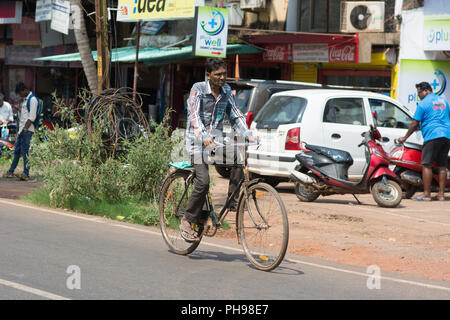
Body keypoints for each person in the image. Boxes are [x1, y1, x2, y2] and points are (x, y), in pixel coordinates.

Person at [180, 58, 258, 242]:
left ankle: (232, 202)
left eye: (224, 74)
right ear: (208, 76)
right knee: (204, 181)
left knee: (239, 159)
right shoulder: (197, 89)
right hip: (196, 142)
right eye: (218, 75)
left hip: (216, 141)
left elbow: (236, 114)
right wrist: (203, 136)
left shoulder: (226, 91)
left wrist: (248, 134)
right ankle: (187, 219)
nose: (223, 78)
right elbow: (194, 116)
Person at [398, 82, 450, 201]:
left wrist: (404, 138)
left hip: (432, 135)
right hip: (446, 135)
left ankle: (427, 194)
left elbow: (414, 123)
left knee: (426, 164)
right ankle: (441, 195)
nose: (419, 95)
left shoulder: (423, 104)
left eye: (419, 93)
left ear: (425, 91)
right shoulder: (443, 101)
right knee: (442, 165)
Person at [2, 83, 38, 181]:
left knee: (25, 151)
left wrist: (25, 129)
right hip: (22, 129)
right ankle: (11, 171)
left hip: (27, 130)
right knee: (17, 151)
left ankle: (26, 173)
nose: (20, 95)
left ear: (25, 90)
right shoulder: (25, 100)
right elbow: (26, 114)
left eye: (20, 93)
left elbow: (32, 117)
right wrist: (19, 110)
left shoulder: (33, 100)